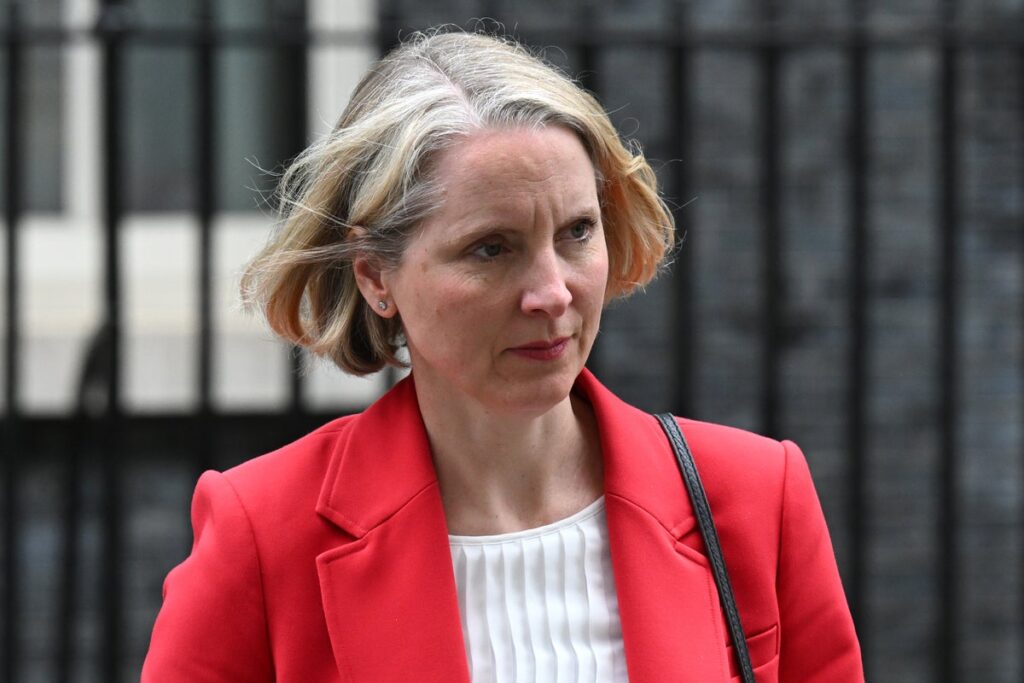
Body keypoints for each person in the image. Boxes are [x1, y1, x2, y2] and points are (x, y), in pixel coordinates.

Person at [142, 29, 863, 682]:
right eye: (491, 248)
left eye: (577, 232)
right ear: (375, 276)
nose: (551, 292)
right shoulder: (266, 533)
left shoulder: (754, 498)